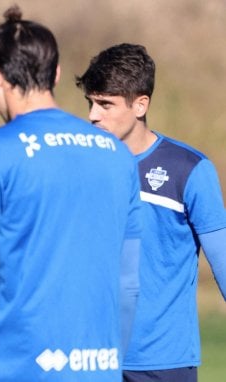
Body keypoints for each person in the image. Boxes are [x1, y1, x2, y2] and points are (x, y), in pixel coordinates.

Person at [0, 5, 142, 382]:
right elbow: (129, 283)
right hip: (99, 370)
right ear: (57, 74)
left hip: (16, 369)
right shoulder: (117, 155)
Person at [76, 43, 226, 382]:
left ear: (141, 104)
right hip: (89, 357)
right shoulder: (81, 167)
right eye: (90, 103)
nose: (92, 115)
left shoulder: (190, 169)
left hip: (163, 361)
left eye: (105, 104)